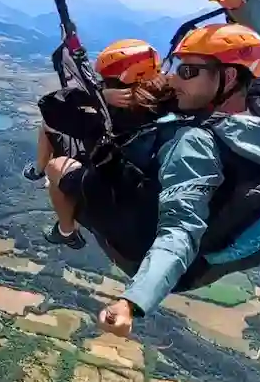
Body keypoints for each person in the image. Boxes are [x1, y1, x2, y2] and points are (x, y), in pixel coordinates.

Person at [87, 0, 260, 335]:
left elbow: (180, 229)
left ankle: (66, 222)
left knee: (65, 165)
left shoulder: (197, 144)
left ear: (229, 77)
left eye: (190, 71)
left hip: (143, 253)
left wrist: (133, 301)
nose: (174, 77)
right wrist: (241, 5)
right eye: (178, 67)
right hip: (215, 253)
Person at [26, 39, 166, 245]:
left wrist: (98, 97)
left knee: (55, 167)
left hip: (113, 182)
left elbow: (50, 109)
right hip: (135, 173)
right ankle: (39, 169)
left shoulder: (118, 106)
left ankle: (66, 231)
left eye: (107, 79)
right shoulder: (164, 95)